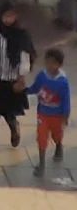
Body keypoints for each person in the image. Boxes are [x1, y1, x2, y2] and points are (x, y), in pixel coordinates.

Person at [0, 1, 35, 165]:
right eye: (6, 16)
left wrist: (21, 75)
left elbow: (25, 57)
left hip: (11, 81)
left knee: (9, 112)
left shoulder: (21, 34)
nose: (9, 19)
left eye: (12, 15)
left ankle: (13, 126)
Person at [33, 46, 70, 178]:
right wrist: (23, 91)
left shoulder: (62, 81)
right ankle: (41, 164)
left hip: (56, 115)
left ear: (59, 65)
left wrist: (65, 116)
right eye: (48, 62)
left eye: (53, 63)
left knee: (56, 135)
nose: (50, 65)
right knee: (41, 137)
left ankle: (58, 144)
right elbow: (35, 87)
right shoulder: (42, 76)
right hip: (42, 113)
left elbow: (66, 100)